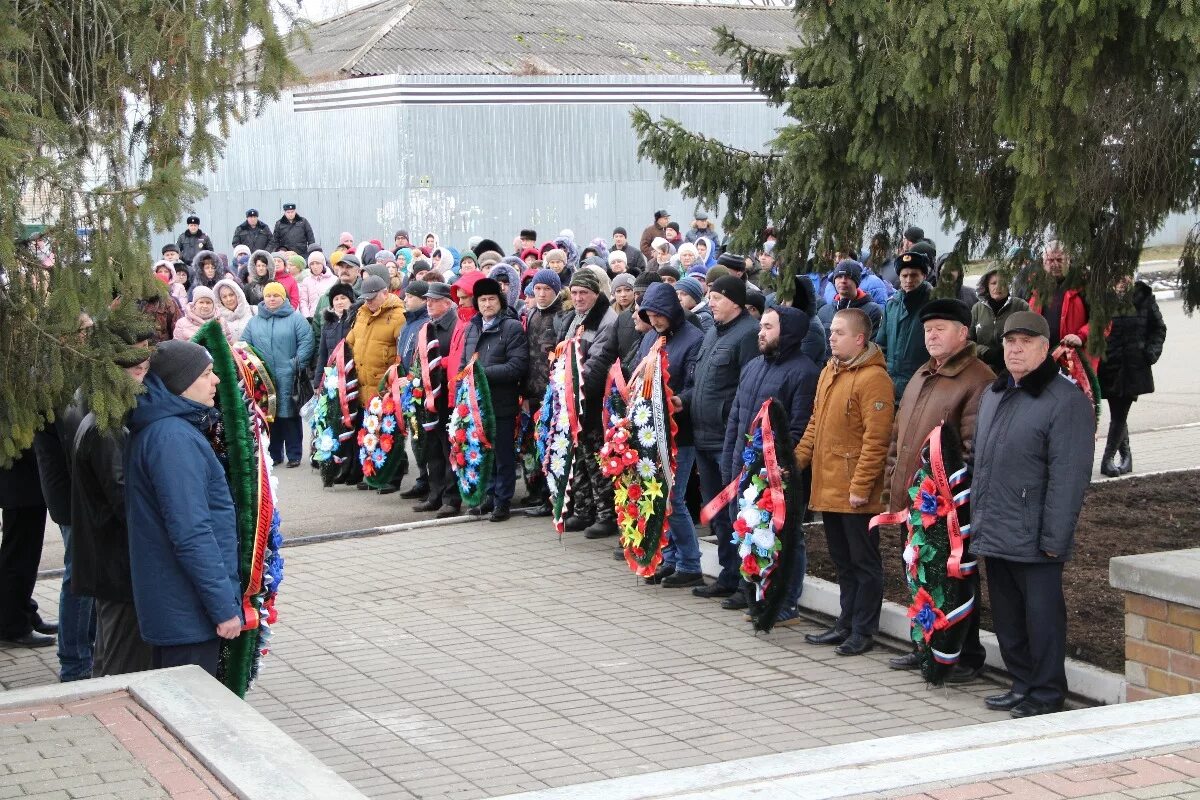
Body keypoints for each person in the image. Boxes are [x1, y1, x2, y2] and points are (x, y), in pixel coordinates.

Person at [971, 312, 1095, 718]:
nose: (1015, 349)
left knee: (1042, 620)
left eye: (1026, 342)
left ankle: (1045, 692)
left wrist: (1054, 539)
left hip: (1036, 537)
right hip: (997, 529)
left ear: (1046, 348)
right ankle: (1021, 682)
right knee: (1007, 618)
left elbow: (1069, 476)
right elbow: (984, 466)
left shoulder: (1065, 401)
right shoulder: (994, 394)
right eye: (1009, 342)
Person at [882, 299, 995, 680]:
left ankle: (965, 655)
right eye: (928, 329)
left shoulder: (978, 379)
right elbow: (899, 435)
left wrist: (947, 501)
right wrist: (893, 482)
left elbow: (971, 449)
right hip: (915, 503)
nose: (931, 335)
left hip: (945, 508)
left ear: (963, 333)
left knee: (955, 580)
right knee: (919, 576)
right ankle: (927, 644)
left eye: (941, 328)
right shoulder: (923, 373)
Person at [125, 340, 242, 677]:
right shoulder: (172, 439)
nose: (216, 380)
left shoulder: (170, 430)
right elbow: (191, 532)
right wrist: (222, 608)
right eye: (207, 374)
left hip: (181, 606)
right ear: (180, 383)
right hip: (186, 611)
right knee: (191, 715)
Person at [795, 308, 894, 656]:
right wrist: (795, 463)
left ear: (859, 339)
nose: (831, 337)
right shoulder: (830, 371)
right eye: (831, 331)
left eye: (838, 332)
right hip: (828, 485)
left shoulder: (874, 379)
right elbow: (814, 424)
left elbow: (876, 441)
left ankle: (863, 630)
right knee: (842, 560)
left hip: (855, 493)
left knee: (863, 563)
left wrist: (860, 487)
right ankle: (845, 622)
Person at [720, 306, 820, 623]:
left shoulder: (803, 372)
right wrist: (730, 461)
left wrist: (773, 469)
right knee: (752, 533)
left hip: (776, 476)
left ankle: (786, 602)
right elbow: (737, 418)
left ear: (787, 332)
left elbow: (798, 428)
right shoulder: (752, 366)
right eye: (760, 326)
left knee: (787, 537)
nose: (760, 332)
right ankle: (760, 596)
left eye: (768, 327)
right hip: (745, 468)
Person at [71, 327, 155, 676]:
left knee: (111, 650)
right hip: (115, 560)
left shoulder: (104, 416)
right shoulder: (106, 426)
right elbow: (123, 497)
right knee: (122, 657)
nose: (144, 376)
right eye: (138, 370)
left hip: (109, 557)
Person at [682, 276, 761, 603]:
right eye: (709, 297)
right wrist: (683, 401)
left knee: (737, 512)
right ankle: (728, 576)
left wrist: (731, 423)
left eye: (716, 297)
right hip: (703, 434)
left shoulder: (747, 334)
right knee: (716, 512)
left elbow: (749, 388)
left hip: (729, 439)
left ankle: (747, 582)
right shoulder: (713, 332)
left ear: (736, 302)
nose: (710, 302)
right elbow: (701, 382)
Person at [635, 282, 705, 587]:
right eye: (649, 314)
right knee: (659, 497)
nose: (654, 320)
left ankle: (691, 564)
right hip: (651, 430)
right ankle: (671, 558)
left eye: (659, 314)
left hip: (681, 431)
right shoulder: (651, 337)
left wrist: (678, 400)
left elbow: (694, 385)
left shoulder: (694, 339)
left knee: (674, 499)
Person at [555, 269, 620, 538]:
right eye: (575, 292)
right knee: (579, 456)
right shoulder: (575, 318)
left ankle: (606, 514)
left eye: (584, 293)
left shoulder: (607, 319)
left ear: (597, 294)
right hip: (574, 398)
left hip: (593, 399)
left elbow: (598, 361)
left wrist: (576, 389)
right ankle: (583, 510)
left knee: (595, 458)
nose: (579, 297)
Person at [460, 278, 529, 521]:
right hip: (476, 403)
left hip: (501, 401)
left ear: (499, 301)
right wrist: (464, 383)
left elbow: (517, 365)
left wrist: (481, 375)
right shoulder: (472, 327)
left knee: (502, 454)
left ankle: (503, 501)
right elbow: (463, 362)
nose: (487, 304)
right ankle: (488, 496)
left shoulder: (511, 327)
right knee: (483, 451)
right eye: (482, 300)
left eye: (491, 299)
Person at [1098, 276, 1167, 477]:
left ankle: (1107, 459)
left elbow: (1159, 328)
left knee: (1119, 414)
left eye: (1126, 274)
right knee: (1118, 411)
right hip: (1109, 366)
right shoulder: (1102, 298)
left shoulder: (1143, 297)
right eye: (1117, 275)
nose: (1122, 280)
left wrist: (1150, 353)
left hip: (1133, 367)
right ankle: (1127, 458)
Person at [241, 282, 315, 467]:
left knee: (289, 416)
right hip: (264, 379)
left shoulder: (296, 319)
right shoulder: (254, 322)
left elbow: (307, 342)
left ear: (284, 298)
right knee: (269, 417)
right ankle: (274, 454)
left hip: (289, 376)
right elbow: (244, 346)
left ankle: (295, 454)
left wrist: (294, 365)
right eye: (268, 295)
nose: (272, 299)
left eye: (276, 295)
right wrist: (254, 369)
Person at [345, 275, 406, 490]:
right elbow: (350, 343)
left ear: (385, 293)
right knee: (370, 433)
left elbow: (403, 352)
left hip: (384, 386)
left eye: (373, 298)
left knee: (389, 433)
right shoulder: (361, 314)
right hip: (363, 384)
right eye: (366, 298)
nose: (369, 302)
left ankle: (394, 476)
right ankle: (375, 475)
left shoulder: (398, 316)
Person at [412, 282, 463, 519]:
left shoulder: (457, 325)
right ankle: (435, 495)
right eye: (427, 300)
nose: (429, 303)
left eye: (434, 299)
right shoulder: (427, 326)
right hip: (430, 396)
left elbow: (458, 358)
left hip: (449, 396)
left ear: (447, 302)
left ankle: (451, 499)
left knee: (448, 448)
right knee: (432, 447)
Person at [521, 269, 565, 517]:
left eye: (546, 289)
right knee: (534, 446)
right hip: (533, 393)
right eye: (537, 289)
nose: (541, 294)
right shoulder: (531, 315)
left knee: (550, 445)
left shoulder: (561, 317)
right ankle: (536, 492)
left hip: (553, 394)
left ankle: (551, 499)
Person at [875, 250, 933, 399]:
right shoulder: (892, 304)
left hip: (921, 382)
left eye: (914, 275)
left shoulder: (933, 304)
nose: (908, 280)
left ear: (924, 276)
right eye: (904, 276)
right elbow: (882, 344)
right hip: (891, 382)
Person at [1028, 241, 1095, 367]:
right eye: (1050, 260)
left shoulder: (1083, 285)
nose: (1055, 264)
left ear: (1069, 260)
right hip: (1041, 359)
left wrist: (1081, 337)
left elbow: (1102, 320)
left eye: (1060, 260)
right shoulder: (1034, 286)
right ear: (1043, 263)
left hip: (1074, 361)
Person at [396, 281, 431, 500]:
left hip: (420, 387)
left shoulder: (425, 323)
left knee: (424, 436)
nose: (405, 300)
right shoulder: (407, 323)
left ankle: (429, 479)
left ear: (423, 299)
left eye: (409, 296)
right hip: (407, 387)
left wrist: (413, 380)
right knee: (416, 436)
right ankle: (422, 477)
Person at [970, 268, 1031, 373]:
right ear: (986, 286)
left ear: (1009, 285)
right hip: (982, 368)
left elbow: (1032, 337)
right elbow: (967, 341)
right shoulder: (977, 309)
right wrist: (985, 352)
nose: (998, 287)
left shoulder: (1021, 306)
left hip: (1015, 368)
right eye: (993, 283)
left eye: (1002, 283)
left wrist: (1009, 350)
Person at [817, 261, 883, 340]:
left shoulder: (872, 311)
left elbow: (873, 346)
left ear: (856, 282)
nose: (843, 281)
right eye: (839, 276)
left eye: (848, 276)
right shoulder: (824, 311)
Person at [299, 250, 338, 319]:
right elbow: (303, 301)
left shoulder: (334, 280)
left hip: (330, 317)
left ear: (323, 264)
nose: (315, 266)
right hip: (312, 317)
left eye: (317, 263)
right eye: (312, 264)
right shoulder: (306, 281)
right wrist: (307, 316)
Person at [214, 278, 253, 343]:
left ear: (238, 294)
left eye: (231, 295)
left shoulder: (254, 311)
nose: (229, 299)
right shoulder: (217, 319)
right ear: (220, 300)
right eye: (224, 297)